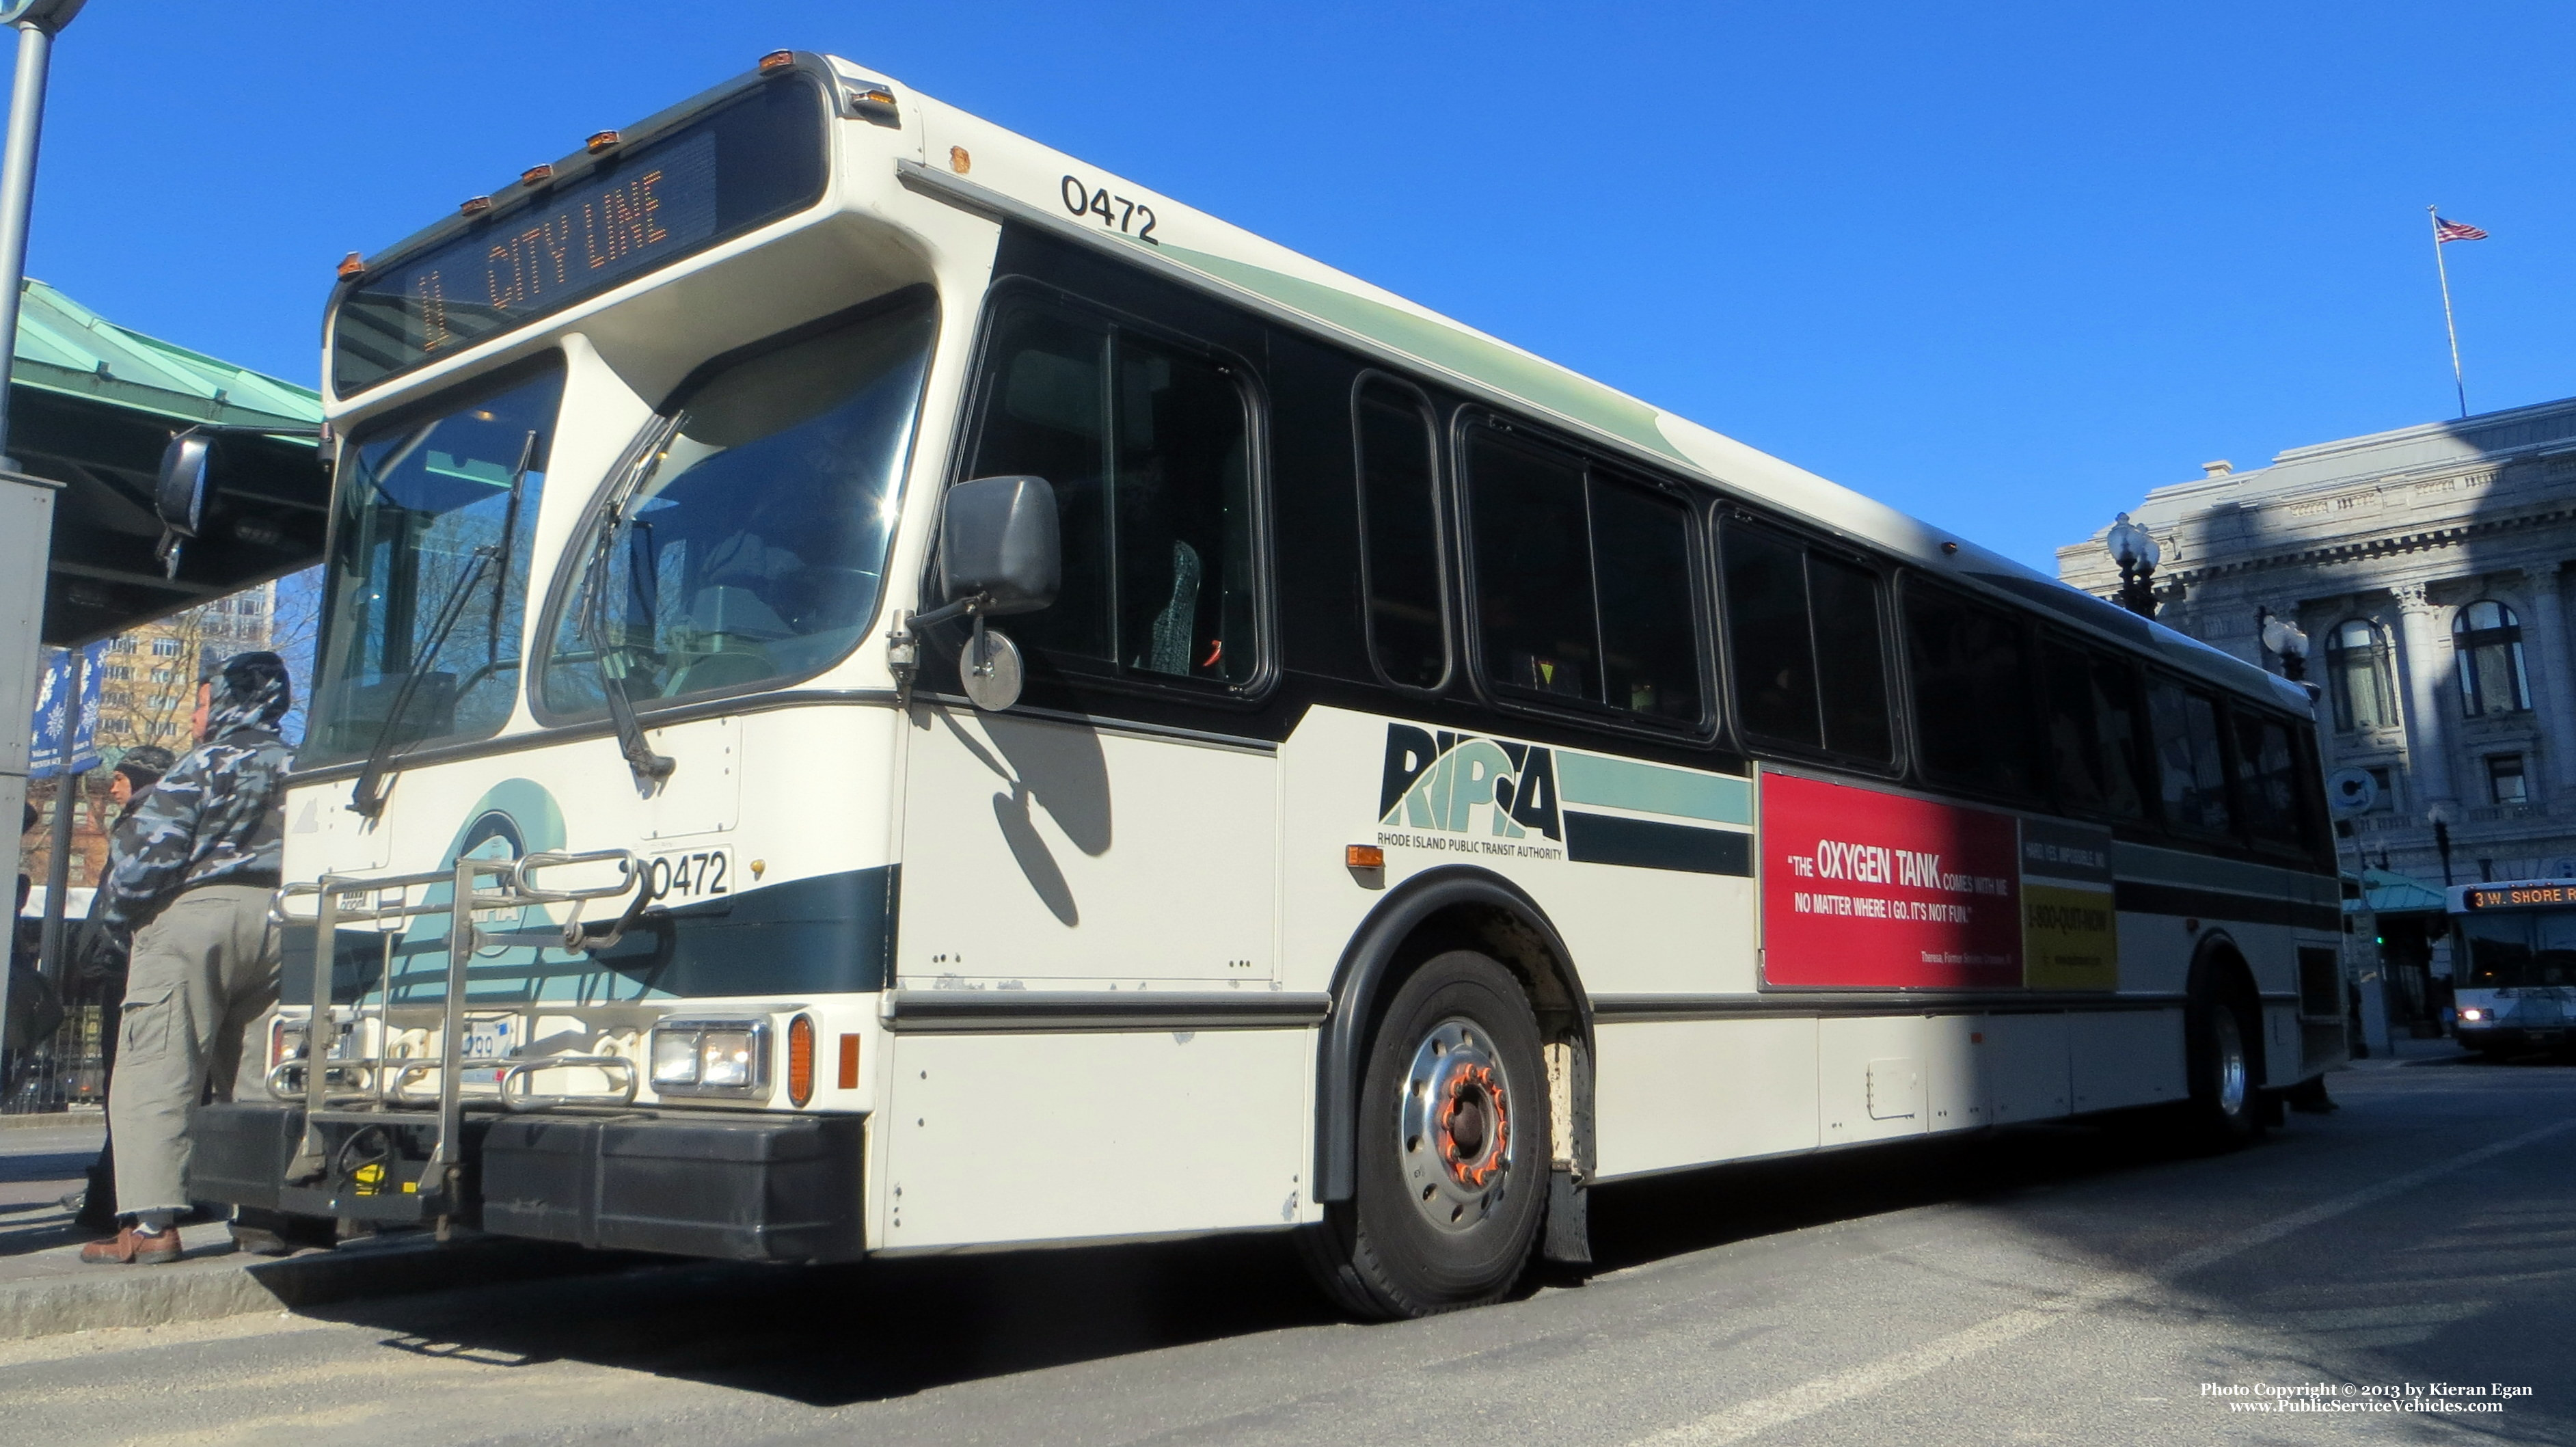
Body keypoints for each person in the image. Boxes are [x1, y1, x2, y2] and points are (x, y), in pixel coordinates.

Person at [79, 653, 293, 1266]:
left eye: (202, 703)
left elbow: (145, 859)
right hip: (285, 918)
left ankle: (149, 1225)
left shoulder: (202, 766)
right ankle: (262, 1213)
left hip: (195, 916)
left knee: (157, 1065)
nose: (197, 716)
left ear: (227, 702)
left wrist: (123, 924)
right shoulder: (306, 765)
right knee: (261, 1073)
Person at [60, 745, 176, 1234]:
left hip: (128, 969)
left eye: (122, 776)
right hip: (132, 964)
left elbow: (121, 898)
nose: (114, 785)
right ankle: (114, 1195)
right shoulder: (163, 815)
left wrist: (103, 952)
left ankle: (116, 1200)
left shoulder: (146, 819)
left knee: (125, 1084)